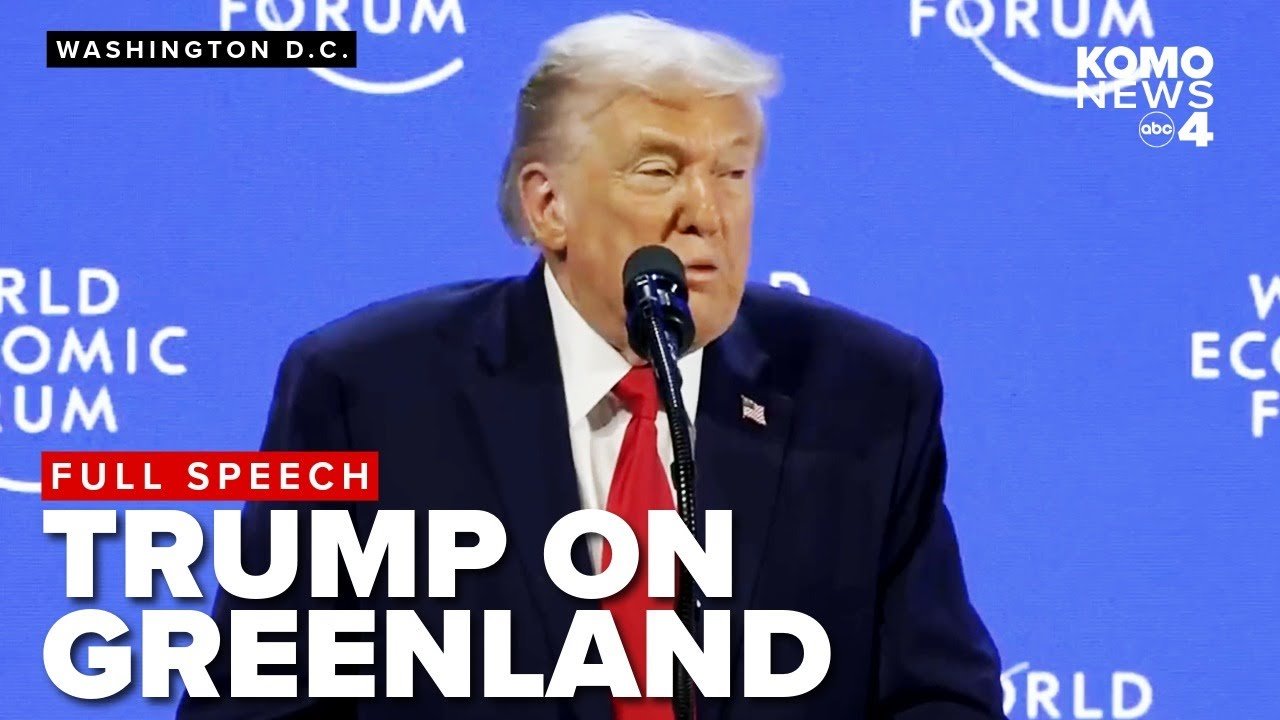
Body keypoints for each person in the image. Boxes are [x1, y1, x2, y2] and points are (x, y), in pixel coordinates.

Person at [177, 12, 1004, 720]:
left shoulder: (863, 392)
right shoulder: (372, 393)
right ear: (548, 205)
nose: (706, 213)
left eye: (732, 172)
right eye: (658, 170)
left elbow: (939, 698)